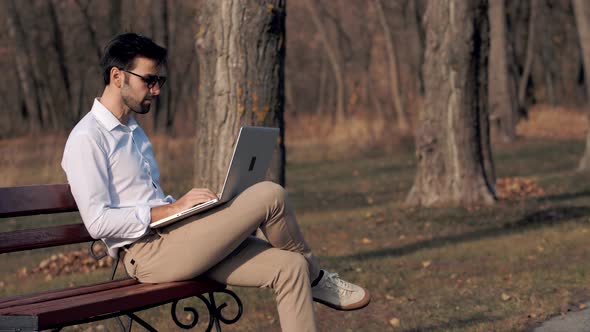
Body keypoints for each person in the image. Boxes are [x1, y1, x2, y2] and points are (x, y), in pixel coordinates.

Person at [61, 33, 370, 332]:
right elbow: (98, 222)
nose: (156, 90)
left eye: (160, 81)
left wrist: (187, 210)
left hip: (177, 239)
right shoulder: (87, 138)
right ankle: (319, 281)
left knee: (290, 267)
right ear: (117, 76)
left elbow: (142, 197)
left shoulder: (134, 131)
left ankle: (308, 274)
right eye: (149, 80)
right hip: (147, 254)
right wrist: (172, 210)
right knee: (269, 194)